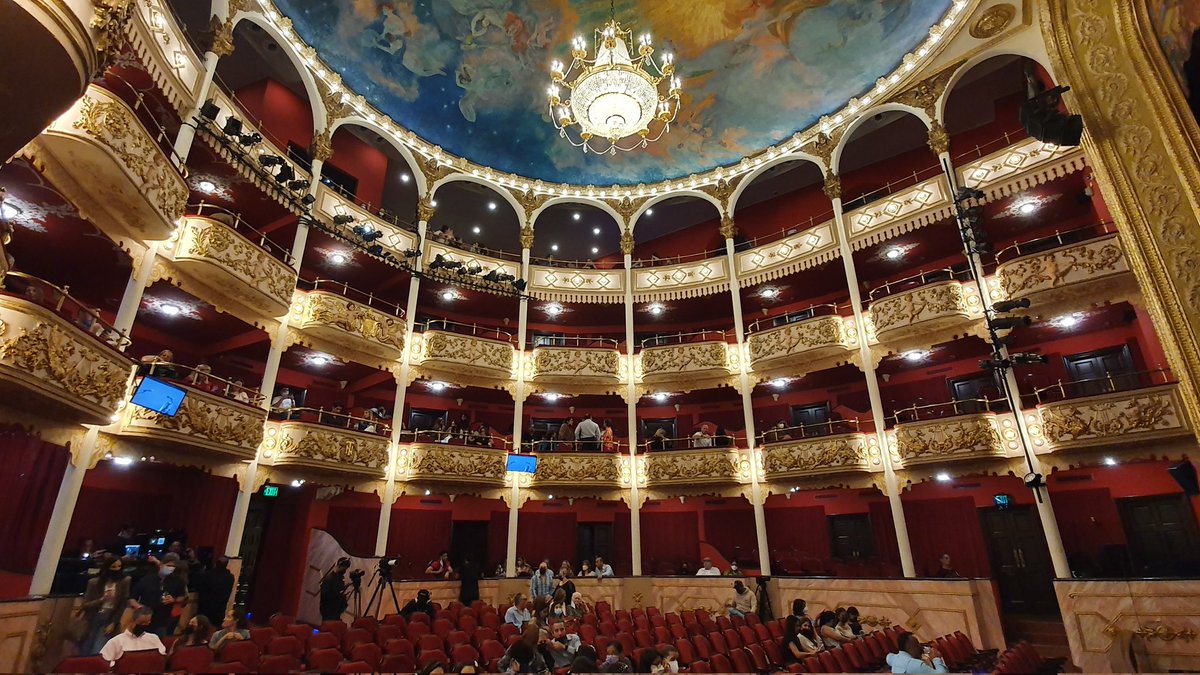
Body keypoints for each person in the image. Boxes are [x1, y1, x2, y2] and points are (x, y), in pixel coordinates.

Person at [78, 557, 130, 654]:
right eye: (113, 567)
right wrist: (101, 600)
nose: (117, 569)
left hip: (110, 618)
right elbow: (85, 605)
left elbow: (122, 605)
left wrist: (114, 623)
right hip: (94, 618)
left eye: (119, 566)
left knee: (99, 649)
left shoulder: (124, 582)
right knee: (87, 648)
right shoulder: (94, 583)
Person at [99, 607, 165, 665]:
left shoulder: (153, 638)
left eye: (147, 623)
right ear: (132, 621)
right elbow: (103, 662)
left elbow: (162, 657)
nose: (144, 625)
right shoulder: (116, 641)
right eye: (141, 623)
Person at [193, 556, 235, 626]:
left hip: (205, 606)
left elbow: (200, 588)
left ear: (215, 564)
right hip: (220, 607)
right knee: (216, 626)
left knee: (202, 626)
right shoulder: (230, 577)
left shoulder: (207, 575)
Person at [319, 557, 351, 622]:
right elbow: (325, 596)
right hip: (329, 611)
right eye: (344, 568)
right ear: (339, 566)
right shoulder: (329, 579)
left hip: (336, 610)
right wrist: (339, 595)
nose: (345, 571)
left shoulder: (340, 578)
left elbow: (338, 590)